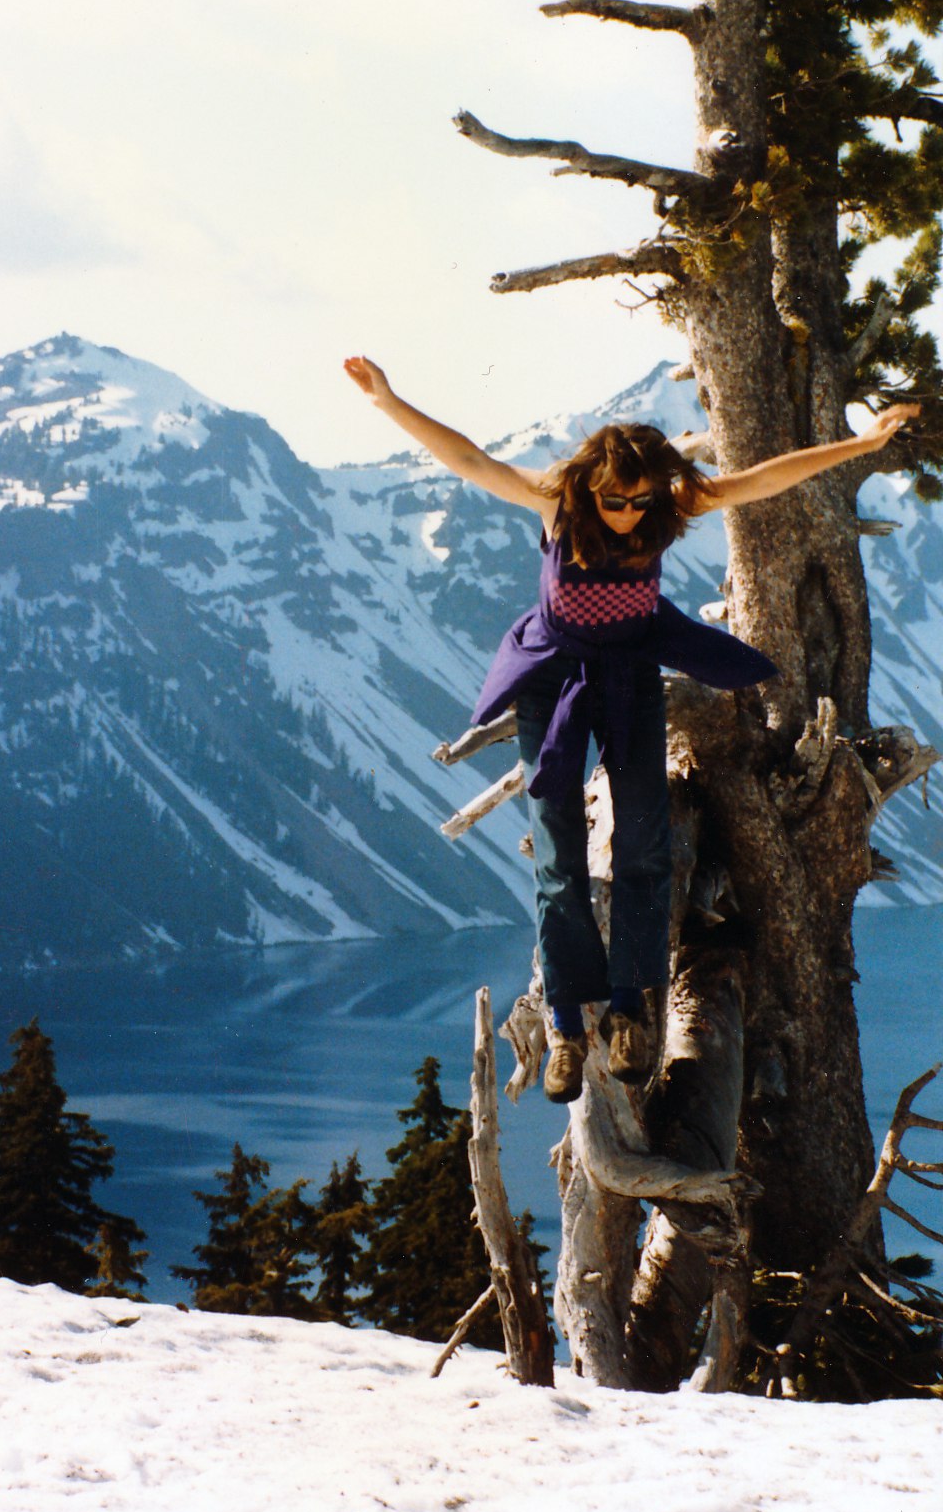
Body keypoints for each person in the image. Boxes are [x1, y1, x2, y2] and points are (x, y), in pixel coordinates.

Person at [344, 354, 918, 1102]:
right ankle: (565, 1026)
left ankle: (626, 1014)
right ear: (592, 486)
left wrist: (862, 447)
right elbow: (467, 458)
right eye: (617, 500)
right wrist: (390, 401)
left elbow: (765, 478)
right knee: (557, 849)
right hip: (555, 674)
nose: (629, 513)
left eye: (642, 501)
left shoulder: (664, 504)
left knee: (645, 841)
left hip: (631, 670)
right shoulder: (558, 503)